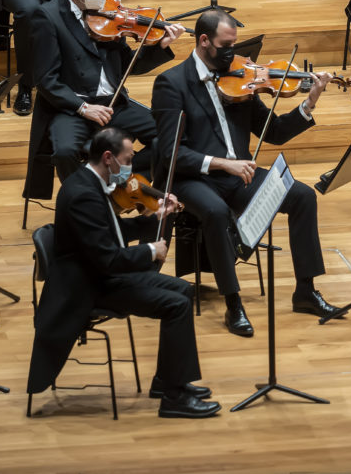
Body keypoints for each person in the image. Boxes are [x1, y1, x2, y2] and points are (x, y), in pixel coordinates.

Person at [151, 9, 340, 338]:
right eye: (226, 45)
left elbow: (275, 131)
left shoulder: (241, 75)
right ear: (204, 41)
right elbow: (170, 153)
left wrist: (309, 103)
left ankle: (305, 291)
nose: (233, 53)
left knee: (302, 196)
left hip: (236, 176)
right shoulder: (171, 83)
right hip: (191, 178)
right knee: (214, 210)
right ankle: (233, 302)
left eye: (235, 45)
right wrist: (223, 163)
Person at [27, 127, 220, 419]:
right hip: (88, 287)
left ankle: (168, 381)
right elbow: (108, 259)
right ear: (109, 158)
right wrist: (150, 252)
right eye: (128, 158)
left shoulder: (91, 181)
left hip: (98, 273)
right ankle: (175, 399)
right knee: (177, 305)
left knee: (183, 291)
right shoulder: (83, 195)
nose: (131, 166)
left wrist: (155, 217)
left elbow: (111, 232)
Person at [29, 0, 180, 184]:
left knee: (170, 136)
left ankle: (120, 182)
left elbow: (131, 66)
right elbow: (45, 79)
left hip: (113, 103)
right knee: (65, 152)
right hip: (73, 108)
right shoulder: (47, 17)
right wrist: (82, 107)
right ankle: (86, 200)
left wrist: (160, 46)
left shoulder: (109, 14)